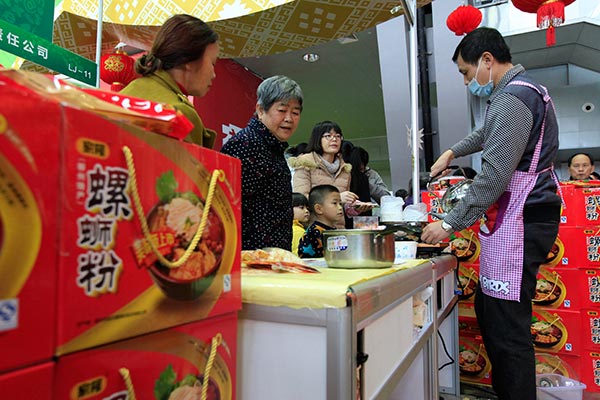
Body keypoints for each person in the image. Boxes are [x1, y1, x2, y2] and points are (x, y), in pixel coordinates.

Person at [420, 27, 561, 400]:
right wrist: (452, 151)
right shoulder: (521, 93)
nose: (468, 82)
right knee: (491, 309)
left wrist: (449, 224)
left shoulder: (513, 98)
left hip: (522, 218)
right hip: (523, 215)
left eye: (466, 73)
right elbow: (487, 134)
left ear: (487, 61)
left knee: (506, 329)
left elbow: (495, 176)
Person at [221, 75, 303, 250]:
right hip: (250, 258)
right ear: (260, 110)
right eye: (282, 110)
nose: (289, 118)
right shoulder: (245, 145)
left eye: (295, 112)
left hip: (272, 257)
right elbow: (226, 208)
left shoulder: (274, 147)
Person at [121, 14, 218, 148]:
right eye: (212, 63)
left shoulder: (129, 91)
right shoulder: (179, 113)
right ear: (188, 60)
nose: (213, 75)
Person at [288, 121, 368, 227]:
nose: (334, 139)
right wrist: (338, 198)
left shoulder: (345, 169)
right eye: (328, 136)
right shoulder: (305, 163)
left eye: (338, 136)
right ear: (318, 139)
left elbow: (342, 207)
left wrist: (354, 207)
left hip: (339, 229)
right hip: (314, 229)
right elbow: (301, 200)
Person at [298, 185, 343, 258]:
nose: (340, 208)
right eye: (335, 203)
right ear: (319, 209)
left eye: (340, 203)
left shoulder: (333, 230)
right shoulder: (313, 232)